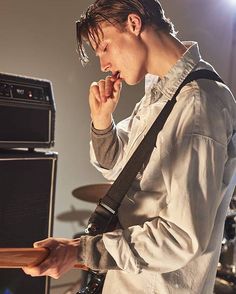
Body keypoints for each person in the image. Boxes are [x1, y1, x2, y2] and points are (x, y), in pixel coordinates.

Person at [23, 0, 236, 293]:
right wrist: (102, 122)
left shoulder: (197, 104)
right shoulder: (159, 96)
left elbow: (181, 237)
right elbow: (117, 168)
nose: (103, 64)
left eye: (105, 47)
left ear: (134, 24)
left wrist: (80, 251)